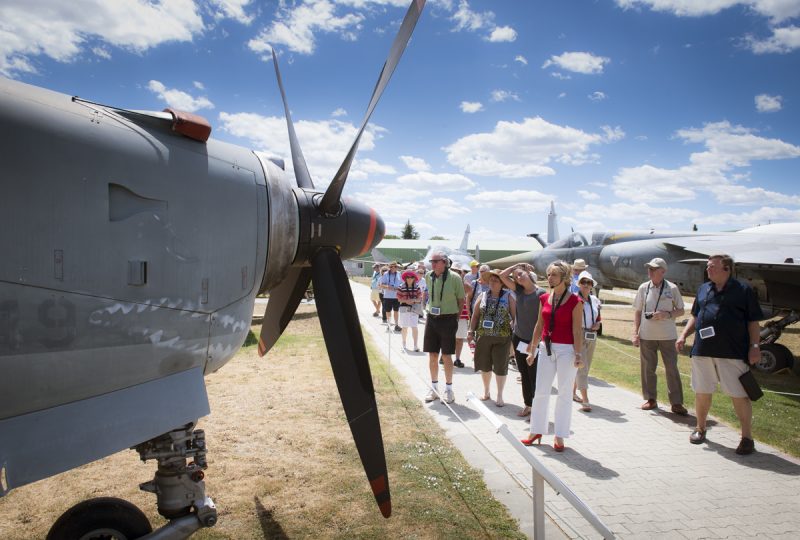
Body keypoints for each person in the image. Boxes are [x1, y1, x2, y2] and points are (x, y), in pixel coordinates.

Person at [676, 254, 764, 455]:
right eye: (708, 266)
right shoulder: (703, 289)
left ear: (727, 269)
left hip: (732, 352)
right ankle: (700, 428)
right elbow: (696, 316)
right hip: (703, 351)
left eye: (713, 266)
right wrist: (682, 335)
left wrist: (755, 346)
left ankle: (746, 437)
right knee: (702, 390)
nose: (708, 269)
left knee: (739, 395)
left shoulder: (743, 290)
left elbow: (753, 321)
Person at [522, 260, 584, 452]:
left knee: (564, 393)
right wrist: (532, 349)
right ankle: (536, 430)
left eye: (554, 274)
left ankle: (559, 435)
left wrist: (579, 354)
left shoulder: (575, 301)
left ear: (564, 277)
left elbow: (577, 330)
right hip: (545, 348)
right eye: (548, 274)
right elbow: (538, 326)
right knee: (541, 390)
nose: (549, 278)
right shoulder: (544, 299)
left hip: (566, 350)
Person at [632, 257, 688, 415]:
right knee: (648, 369)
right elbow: (637, 311)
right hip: (646, 336)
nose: (649, 271)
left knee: (671, 369)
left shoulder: (672, 288)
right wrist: (635, 333)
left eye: (653, 269)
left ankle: (676, 403)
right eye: (649, 268)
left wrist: (666, 314)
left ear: (662, 272)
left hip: (668, 337)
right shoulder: (644, 287)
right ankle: (651, 399)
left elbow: (682, 310)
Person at [499, 263, 545, 417]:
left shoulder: (541, 293)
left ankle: (537, 407)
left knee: (534, 375)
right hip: (519, 338)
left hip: (534, 341)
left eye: (521, 274)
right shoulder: (518, 291)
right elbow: (502, 276)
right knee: (524, 374)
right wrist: (516, 267)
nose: (518, 277)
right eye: (516, 277)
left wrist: (535, 342)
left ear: (528, 274)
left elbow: (543, 320)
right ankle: (528, 405)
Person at [468, 269, 516, 406]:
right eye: (491, 280)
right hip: (483, 336)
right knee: (485, 365)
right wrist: (471, 331)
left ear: (502, 283)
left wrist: (515, 332)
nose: (492, 283)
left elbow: (515, 316)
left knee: (501, 366)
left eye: (496, 281)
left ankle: (500, 395)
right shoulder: (482, 295)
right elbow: (476, 315)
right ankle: (486, 391)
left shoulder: (508, 296)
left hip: (502, 337)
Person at [423, 251, 466, 404]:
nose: (432, 264)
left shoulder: (455, 278)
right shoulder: (429, 276)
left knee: (447, 356)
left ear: (444, 262)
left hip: (448, 319)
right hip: (432, 318)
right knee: (432, 355)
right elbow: (428, 294)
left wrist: (455, 318)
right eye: (431, 261)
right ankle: (434, 389)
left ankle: (449, 390)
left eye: (435, 261)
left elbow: (461, 301)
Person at [573, 270, 601, 412]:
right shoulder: (573, 298)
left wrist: (598, 325)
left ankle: (573, 392)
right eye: (583, 282)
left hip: (591, 334)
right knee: (582, 366)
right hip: (578, 333)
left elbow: (598, 318)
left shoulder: (595, 300)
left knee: (586, 366)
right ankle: (585, 399)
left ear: (591, 285)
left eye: (588, 282)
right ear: (579, 284)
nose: (586, 285)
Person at [397, 270, 422, 351]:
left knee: (414, 326)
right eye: (407, 277)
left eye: (411, 277)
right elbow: (398, 298)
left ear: (414, 278)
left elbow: (420, 298)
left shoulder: (417, 286)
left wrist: (414, 300)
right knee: (404, 327)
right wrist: (406, 301)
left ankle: (415, 346)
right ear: (405, 278)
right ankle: (403, 344)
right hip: (404, 308)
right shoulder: (401, 286)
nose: (409, 279)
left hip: (414, 308)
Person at [453, 271, 470, 368]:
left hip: (462, 315)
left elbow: (470, 290)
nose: (457, 273)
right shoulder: (447, 282)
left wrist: (461, 281)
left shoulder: (464, 284)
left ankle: (457, 359)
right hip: (448, 314)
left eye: (459, 272)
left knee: (459, 339)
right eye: (454, 271)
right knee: (447, 338)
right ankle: (444, 356)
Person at [379, 262, 402, 332]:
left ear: (396, 267)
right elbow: (381, 285)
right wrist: (388, 287)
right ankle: (389, 325)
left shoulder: (399, 274)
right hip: (387, 296)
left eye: (395, 267)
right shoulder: (385, 274)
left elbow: (402, 283)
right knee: (388, 311)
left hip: (396, 296)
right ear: (389, 267)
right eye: (391, 267)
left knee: (396, 311)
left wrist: (399, 287)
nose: (393, 268)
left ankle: (396, 325)